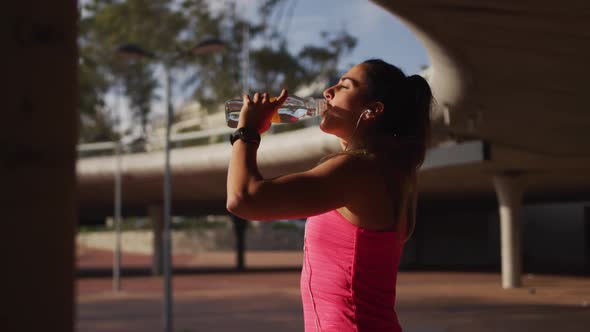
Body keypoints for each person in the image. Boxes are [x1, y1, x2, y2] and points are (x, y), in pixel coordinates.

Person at [226, 59, 432, 331]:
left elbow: (244, 198)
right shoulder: (383, 171)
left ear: (372, 110)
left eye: (344, 86)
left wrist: (247, 131)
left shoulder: (357, 170)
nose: (328, 91)